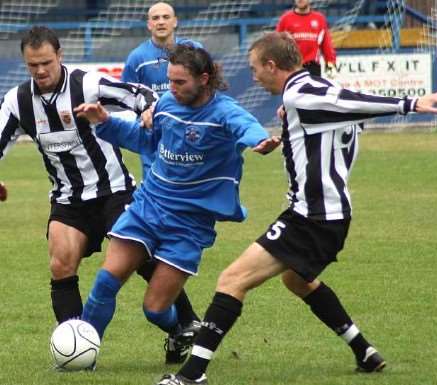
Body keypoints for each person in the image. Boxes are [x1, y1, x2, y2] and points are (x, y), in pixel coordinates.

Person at [156, 32, 437, 385]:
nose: (253, 77)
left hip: (311, 216)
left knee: (232, 279)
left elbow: (351, 101)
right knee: (297, 280)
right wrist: (290, 113)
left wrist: (410, 104)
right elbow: (336, 108)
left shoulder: (302, 93)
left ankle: (192, 375)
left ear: (271, 65)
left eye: (254, 69)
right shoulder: (310, 90)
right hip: (331, 215)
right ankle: (365, 352)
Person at [0, 25, 196, 365]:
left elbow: (138, 94)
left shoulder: (87, 84)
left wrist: (149, 110)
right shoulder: (16, 101)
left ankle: (186, 322)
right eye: (33, 65)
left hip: (114, 191)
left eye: (46, 62)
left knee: (139, 258)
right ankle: (78, 352)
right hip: (68, 198)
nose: (41, 71)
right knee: (60, 263)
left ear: (59, 56)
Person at [75, 44, 280, 367]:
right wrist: (105, 121)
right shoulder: (167, 105)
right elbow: (145, 141)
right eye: (169, 81)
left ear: (204, 78)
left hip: (189, 224)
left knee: (154, 309)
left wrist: (260, 141)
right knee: (105, 282)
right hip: (149, 206)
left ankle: (180, 329)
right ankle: (84, 356)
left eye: (179, 82)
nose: (171, 89)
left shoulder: (224, 112)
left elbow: (247, 127)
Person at [121, 2, 203, 175]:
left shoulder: (193, 50)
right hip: (154, 133)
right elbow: (126, 98)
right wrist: (142, 116)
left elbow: (207, 86)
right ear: (149, 24)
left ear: (175, 22)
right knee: (155, 185)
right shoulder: (137, 58)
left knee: (191, 182)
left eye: (166, 17)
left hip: (189, 128)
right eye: (155, 18)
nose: (160, 22)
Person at [276, 0, 337, 78]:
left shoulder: (319, 19)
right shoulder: (285, 19)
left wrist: (330, 67)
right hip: (292, 68)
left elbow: (326, 45)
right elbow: (277, 45)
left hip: (313, 68)